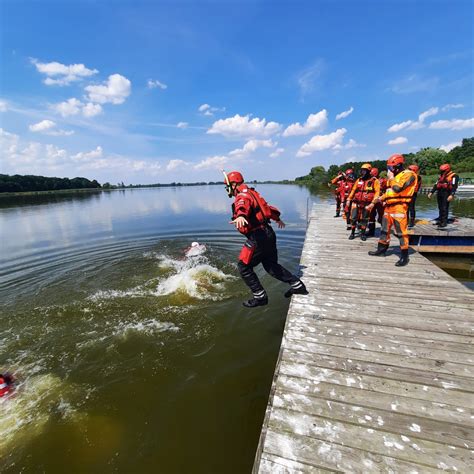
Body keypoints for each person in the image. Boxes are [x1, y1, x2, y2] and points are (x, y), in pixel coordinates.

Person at [224, 170, 308, 308]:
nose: (227, 190)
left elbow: (242, 205)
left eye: (227, 186)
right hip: (268, 233)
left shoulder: (242, 195)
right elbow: (267, 208)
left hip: (258, 237)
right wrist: (277, 218)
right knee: (271, 266)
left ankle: (260, 296)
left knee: (244, 267)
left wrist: (240, 216)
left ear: (233, 184)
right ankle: (297, 285)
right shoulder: (253, 193)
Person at [367, 154, 417, 266]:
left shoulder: (409, 174)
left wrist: (391, 178)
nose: (389, 170)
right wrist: (376, 201)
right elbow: (389, 192)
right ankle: (381, 250)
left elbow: (397, 188)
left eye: (390, 167)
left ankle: (404, 256)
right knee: (384, 230)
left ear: (398, 165)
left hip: (400, 207)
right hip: (388, 207)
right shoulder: (395, 176)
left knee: (401, 233)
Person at [347, 164, 380, 241]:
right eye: (361, 171)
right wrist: (349, 199)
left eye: (364, 171)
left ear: (368, 171)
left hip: (367, 203)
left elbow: (377, 193)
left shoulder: (374, 181)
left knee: (364, 219)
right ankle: (352, 233)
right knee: (353, 218)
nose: (362, 172)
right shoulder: (359, 180)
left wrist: (373, 203)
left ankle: (363, 234)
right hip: (356, 202)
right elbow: (353, 190)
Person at [428, 164, 459, 228]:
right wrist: (431, 192)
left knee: (444, 207)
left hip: (447, 193)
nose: (441, 172)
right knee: (440, 207)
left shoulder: (454, 176)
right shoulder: (441, 175)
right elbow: (436, 184)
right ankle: (440, 220)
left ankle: (444, 222)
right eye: (441, 171)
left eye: (443, 171)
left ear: (447, 170)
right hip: (440, 192)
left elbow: (454, 186)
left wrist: (451, 195)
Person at [366, 167, 384, 237]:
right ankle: (371, 231)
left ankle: (384, 231)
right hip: (372, 200)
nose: (370, 174)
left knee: (381, 216)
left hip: (379, 201)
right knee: (371, 216)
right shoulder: (370, 181)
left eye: (371, 173)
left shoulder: (382, 180)